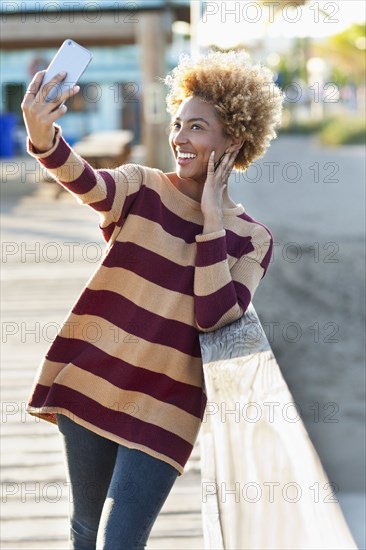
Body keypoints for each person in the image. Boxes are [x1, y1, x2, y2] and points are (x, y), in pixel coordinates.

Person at [21, 49, 283, 549]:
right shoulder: (142, 187)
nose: (180, 138)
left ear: (235, 141)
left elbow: (211, 317)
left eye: (197, 128)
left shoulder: (252, 240)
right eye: (178, 123)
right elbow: (87, 182)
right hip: (96, 377)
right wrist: (42, 136)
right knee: (83, 528)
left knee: (122, 542)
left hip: (167, 408)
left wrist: (211, 221)